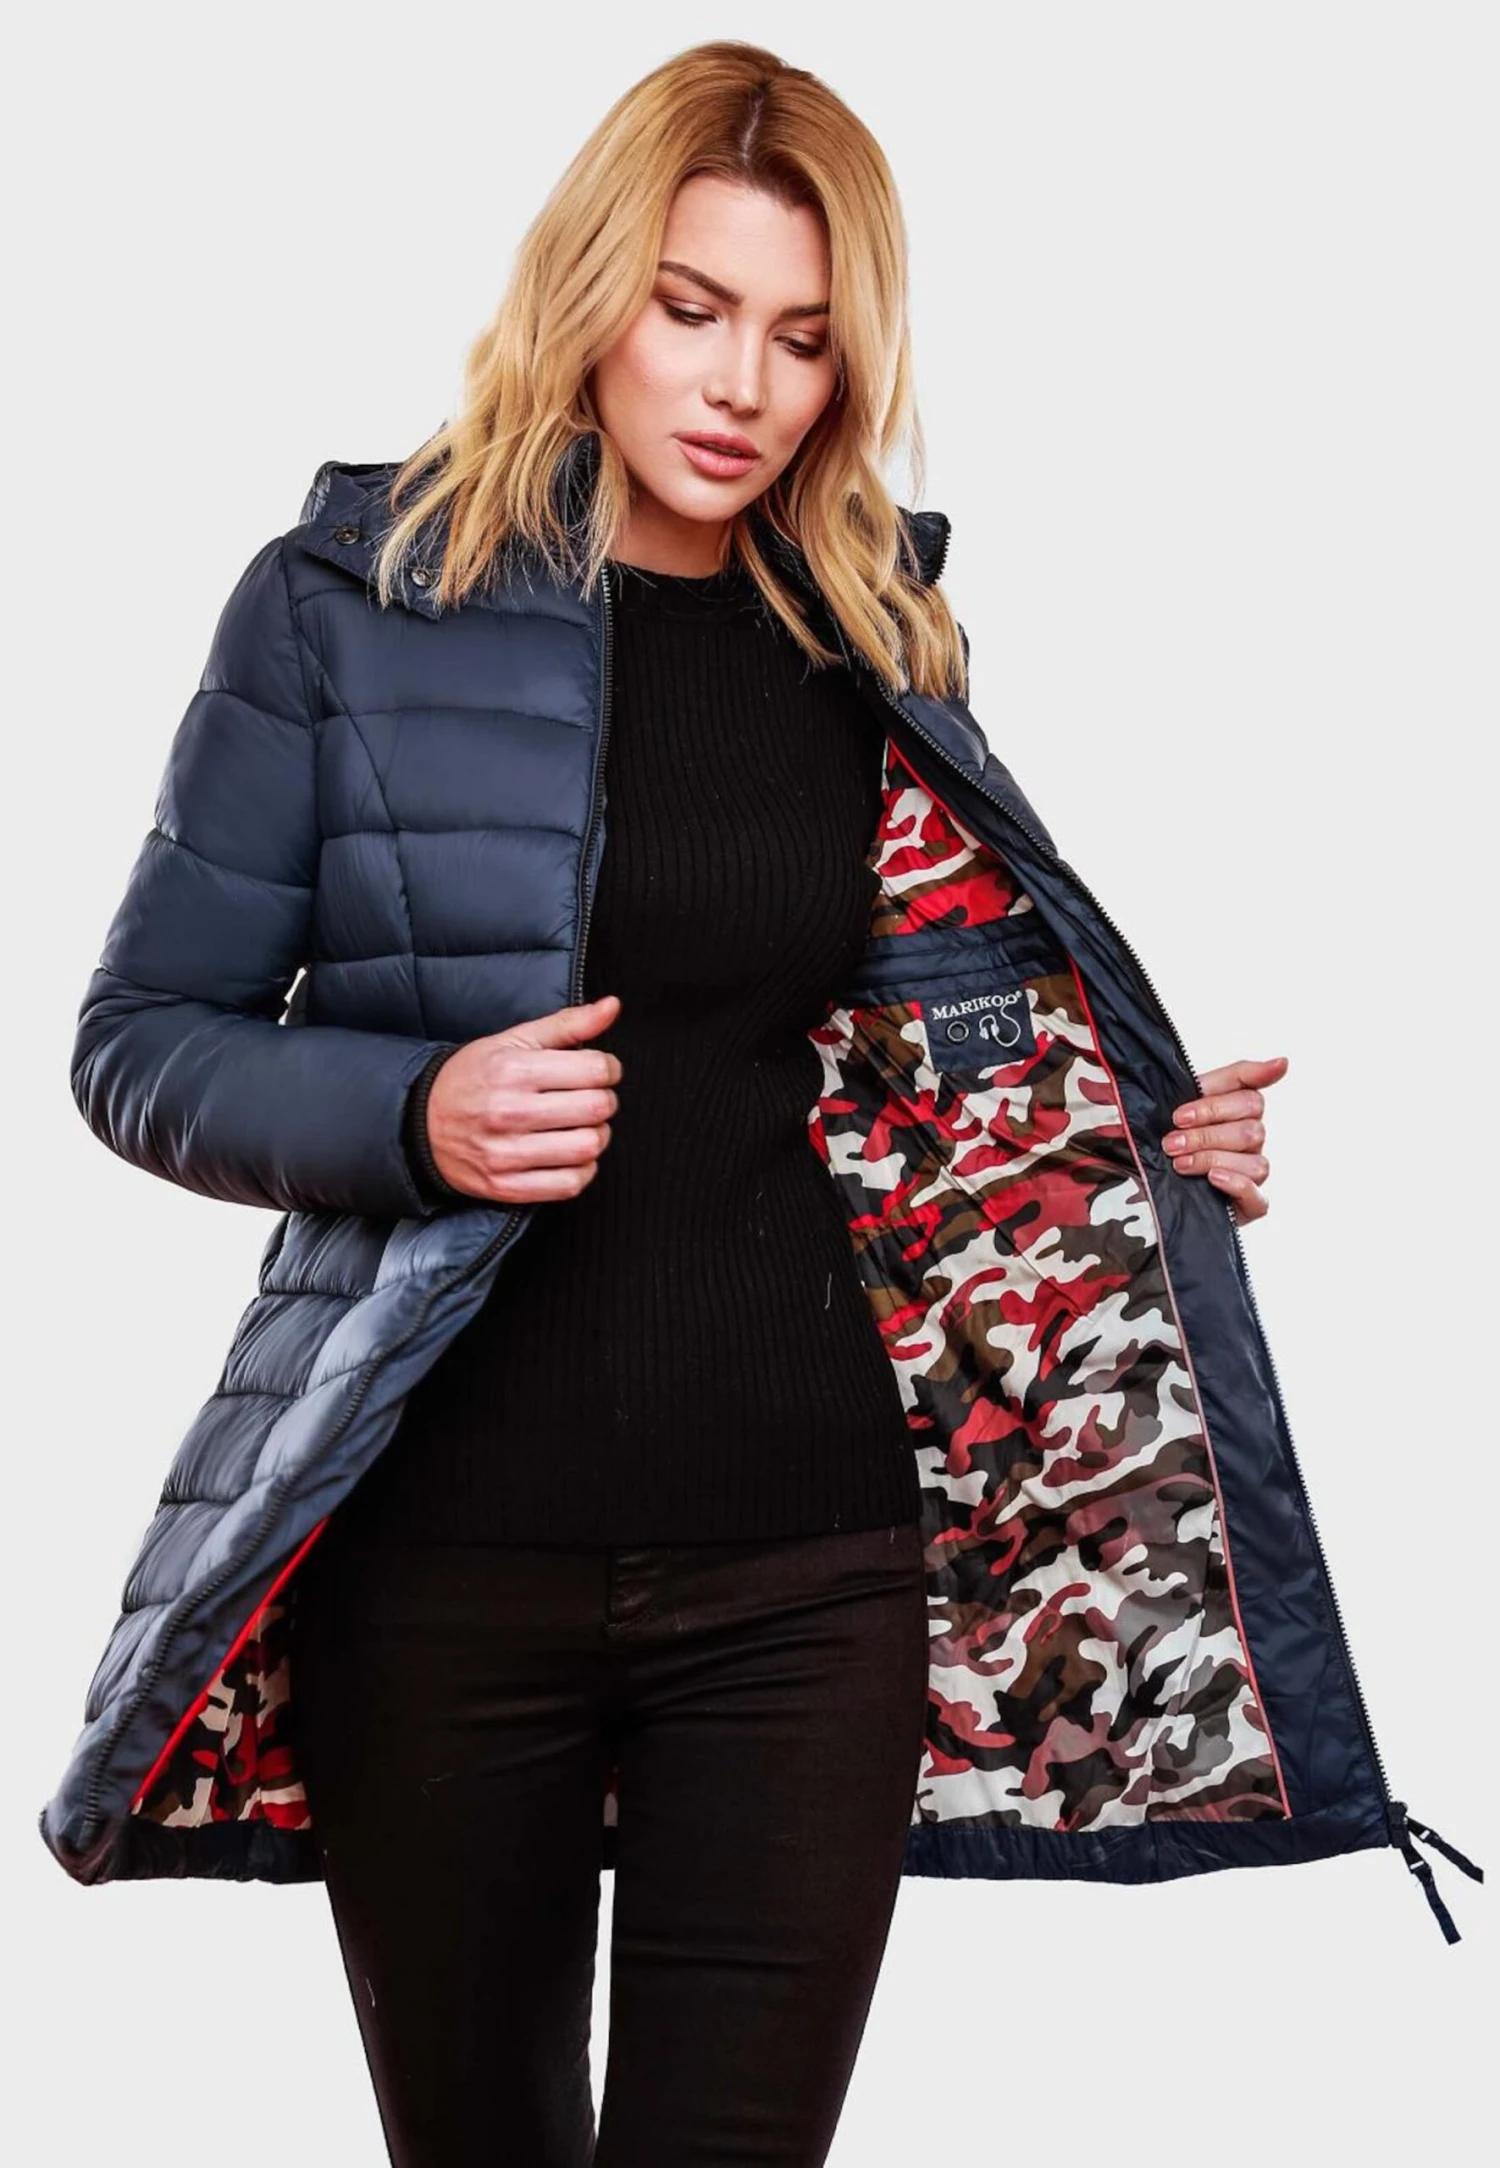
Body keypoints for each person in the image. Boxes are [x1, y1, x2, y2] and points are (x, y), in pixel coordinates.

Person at [49, 34, 1470, 2168]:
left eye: (803, 338)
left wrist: (1143, 1151)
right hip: (444, 1562)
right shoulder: (348, 605)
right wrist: (421, 1111)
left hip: (808, 1567)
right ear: (588, 293)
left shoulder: (870, 632)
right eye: (692, 309)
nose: (741, 385)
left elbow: (922, 1054)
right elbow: (140, 1036)